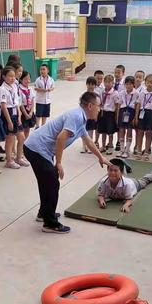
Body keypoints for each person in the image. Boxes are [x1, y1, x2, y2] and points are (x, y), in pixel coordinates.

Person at [24, 91, 110, 234]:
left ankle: (44, 213)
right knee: (52, 183)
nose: (99, 109)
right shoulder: (76, 116)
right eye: (98, 106)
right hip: (36, 148)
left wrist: (100, 157)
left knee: (47, 182)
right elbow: (61, 138)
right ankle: (50, 223)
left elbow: (87, 140)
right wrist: (58, 163)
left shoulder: (80, 117)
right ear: (90, 106)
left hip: (39, 149)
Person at [0, 66, 27, 169]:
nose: (12, 78)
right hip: (8, 113)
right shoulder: (2, 89)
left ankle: (19, 158)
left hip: (15, 112)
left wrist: (19, 116)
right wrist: (9, 121)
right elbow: (3, 106)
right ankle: (9, 161)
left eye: (13, 76)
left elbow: (17, 102)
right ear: (4, 77)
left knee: (21, 137)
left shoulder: (14, 86)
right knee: (10, 138)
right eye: (10, 76)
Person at [133, 73, 152, 161]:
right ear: (145, 83)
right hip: (142, 112)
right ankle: (139, 150)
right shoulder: (142, 93)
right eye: (148, 82)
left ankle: (147, 151)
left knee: (149, 133)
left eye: (151, 82)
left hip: (151, 114)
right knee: (140, 133)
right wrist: (136, 117)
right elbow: (138, 105)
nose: (149, 84)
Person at [97, 74, 121, 154]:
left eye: (109, 82)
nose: (107, 84)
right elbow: (100, 102)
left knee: (110, 131)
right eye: (106, 82)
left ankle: (110, 146)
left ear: (113, 83)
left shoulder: (115, 93)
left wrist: (116, 116)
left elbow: (117, 105)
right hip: (103, 112)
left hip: (111, 114)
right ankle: (103, 146)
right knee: (102, 131)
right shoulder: (102, 91)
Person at [117, 75, 137, 157]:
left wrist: (135, 116)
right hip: (123, 111)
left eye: (130, 84)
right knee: (121, 130)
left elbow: (137, 105)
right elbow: (119, 104)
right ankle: (121, 149)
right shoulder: (122, 93)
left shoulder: (136, 93)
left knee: (129, 130)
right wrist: (117, 115)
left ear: (133, 84)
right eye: (127, 84)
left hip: (131, 111)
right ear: (125, 84)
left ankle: (127, 150)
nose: (128, 86)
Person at [18, 71, 36, 140]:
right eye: (25, 79)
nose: (28, 81)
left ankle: (24, 144)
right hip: (22, 111)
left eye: (29, 79)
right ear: (21, 79)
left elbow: (32, 100)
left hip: (29, 110)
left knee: (28, 129)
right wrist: (25, 114)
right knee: (21, 130)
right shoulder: (19, 89)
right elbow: (20, 104)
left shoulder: (30, 89)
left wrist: (31, 112)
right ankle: (20, 145)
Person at [82, 76, 99, 153]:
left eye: (92, 84)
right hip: (85, 116)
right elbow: (81, 106)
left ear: (95, 85)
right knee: (83, 131)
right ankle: (84, 146)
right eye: (89, 84)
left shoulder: (96, 95)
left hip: (92, 116)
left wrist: (95, 115)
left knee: (90, 132)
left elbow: (97, 106)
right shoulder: (84, 95)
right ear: (86, 84)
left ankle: (90, 147)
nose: (90, 86)